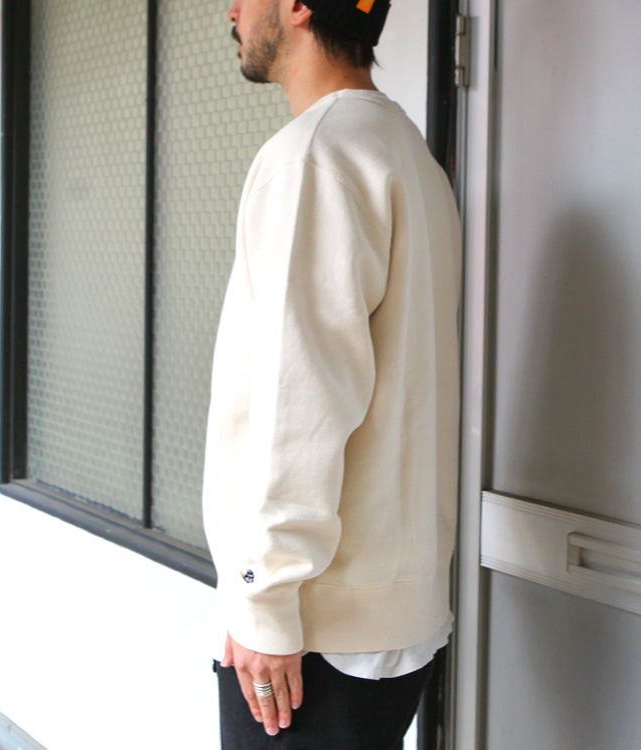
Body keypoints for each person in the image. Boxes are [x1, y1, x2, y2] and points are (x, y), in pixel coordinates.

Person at [202, 0, 462, 747]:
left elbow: (301, 401)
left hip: (313, 632)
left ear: (298, 6)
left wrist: (263, 602)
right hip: (387, 618)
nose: (232, 9)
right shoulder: (405, 152)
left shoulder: (313, 157)